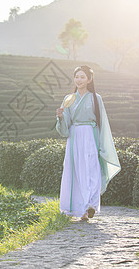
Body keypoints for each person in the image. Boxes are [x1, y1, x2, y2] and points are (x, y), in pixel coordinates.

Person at [55, 65, 121, 220]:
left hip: (91, 136)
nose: (79, 80)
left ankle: (90, 204)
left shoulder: (96, 98)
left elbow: (102, 123)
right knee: (76, 171)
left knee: (91, 170)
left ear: (89, 79)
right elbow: (65, 128)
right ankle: (81, 210)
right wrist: (60, 117)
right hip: (75, 136)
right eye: (76, 76)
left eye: (82, 77)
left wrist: (101, 144)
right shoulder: (68, 99)